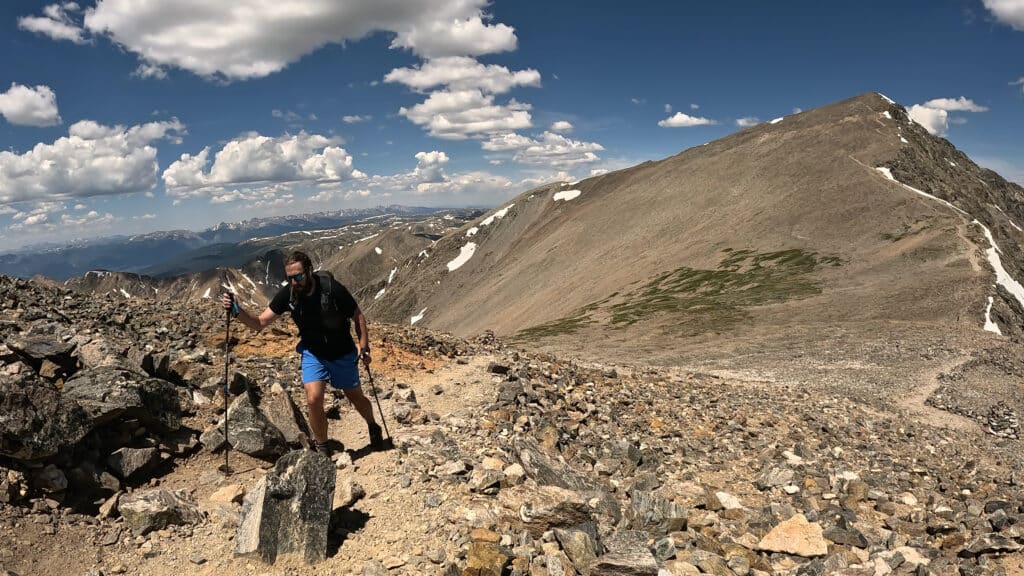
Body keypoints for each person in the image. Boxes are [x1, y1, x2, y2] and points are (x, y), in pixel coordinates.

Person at [221, 250, 383, 455]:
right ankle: (323, 447)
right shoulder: (288, 294)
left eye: (298, 276)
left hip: (342, 352)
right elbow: (260, 323)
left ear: (309, 271)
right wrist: (238, 311)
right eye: (289, 278)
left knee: (356, 398)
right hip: (313, 353)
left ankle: (372, 425)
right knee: (313, 398)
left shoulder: (332, 289)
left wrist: (364, 346)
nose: (294, 282)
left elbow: (358, 316)